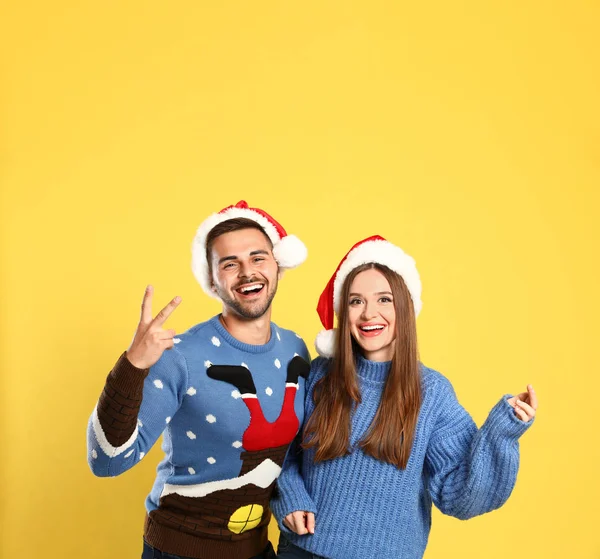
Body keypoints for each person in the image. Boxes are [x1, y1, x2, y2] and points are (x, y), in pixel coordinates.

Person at [271, 235, 538, 559]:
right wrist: (289, 496)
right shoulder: (320, 375)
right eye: (356, 301)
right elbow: (278, 451)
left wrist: (501, 432)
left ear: (405, 307)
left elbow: (461, 495)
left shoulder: (433, 394)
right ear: (344, 311)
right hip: (301, 551)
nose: (369, 313)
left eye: (384, 299)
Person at [87, 200, 311, 559]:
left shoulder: (296, 351)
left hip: (256, 548)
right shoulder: (180, 356)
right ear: (212, 279)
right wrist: (132, 366)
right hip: (179, 551)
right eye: (229, 263)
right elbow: (108, 461)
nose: (247, 272)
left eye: (257, 258)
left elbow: (295, 455)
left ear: (277, 265)